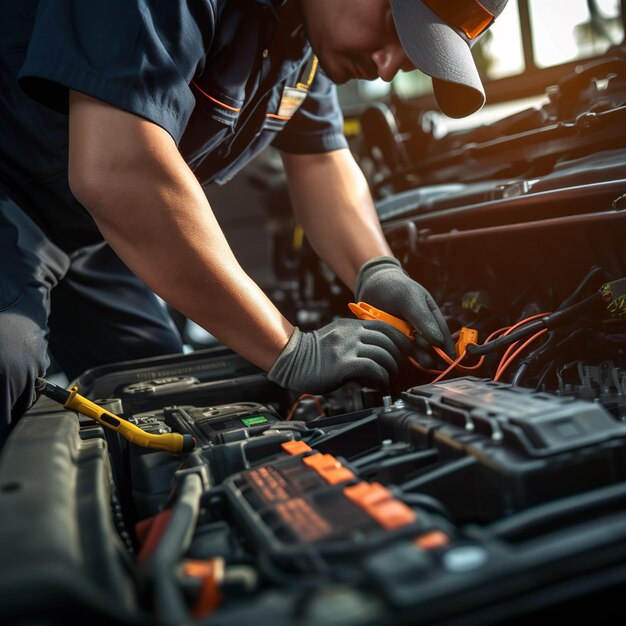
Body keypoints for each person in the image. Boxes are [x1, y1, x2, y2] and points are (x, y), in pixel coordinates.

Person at [0, 0, 508, 438]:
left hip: (85, 233)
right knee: (8, 359)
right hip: (18, 192)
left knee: (156, 395)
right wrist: (291, 348)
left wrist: (378, 270)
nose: (386, 65)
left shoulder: (298, 34)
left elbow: (322, 160)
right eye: (396, 27)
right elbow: (118, 169)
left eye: (413, 56)